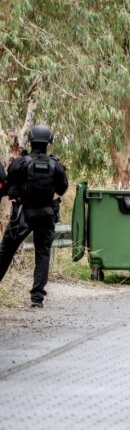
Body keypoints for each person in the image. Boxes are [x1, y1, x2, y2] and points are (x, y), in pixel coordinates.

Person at [0, 125, 68, 308]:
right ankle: (37, 297)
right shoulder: (56, 166)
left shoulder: (20, 163)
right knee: (43, 253)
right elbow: (62, 189)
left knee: (5, 252)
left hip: (23, 213)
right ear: (49, 142)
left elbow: (8, 187)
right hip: (46, 213)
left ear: (30, 141)